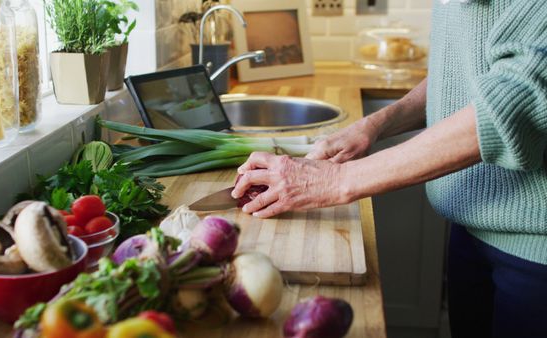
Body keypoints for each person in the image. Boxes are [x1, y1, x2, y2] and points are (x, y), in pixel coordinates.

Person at [231, 1, 547, 337]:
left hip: (535, 249)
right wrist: (376, 124)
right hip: (473, 226)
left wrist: (335, 180)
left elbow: (513, 105)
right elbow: (464, 73)